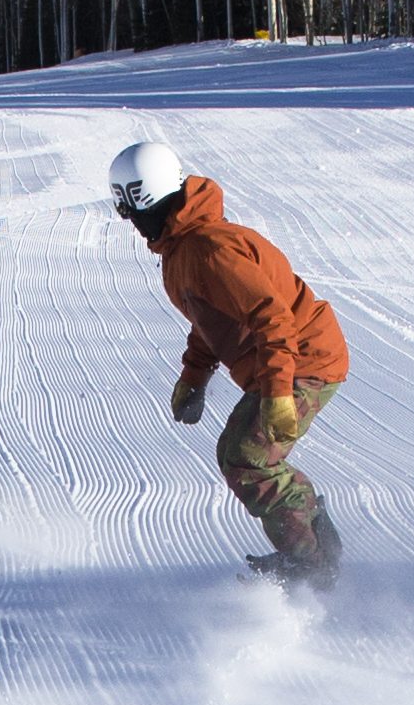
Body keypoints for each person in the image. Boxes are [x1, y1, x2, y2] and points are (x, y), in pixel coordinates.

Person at [106, 136, 347, 586]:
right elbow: (210, 318)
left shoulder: (209, 250)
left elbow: (273, 319)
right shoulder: (182, 251)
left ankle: (312, 562)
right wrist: (193, 376)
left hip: (303, 358)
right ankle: (313, 539)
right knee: (242, 452)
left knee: (247, 454)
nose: (133, 225)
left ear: (152, 199)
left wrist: (278, 395)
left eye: (134, 212)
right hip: (285, 358)